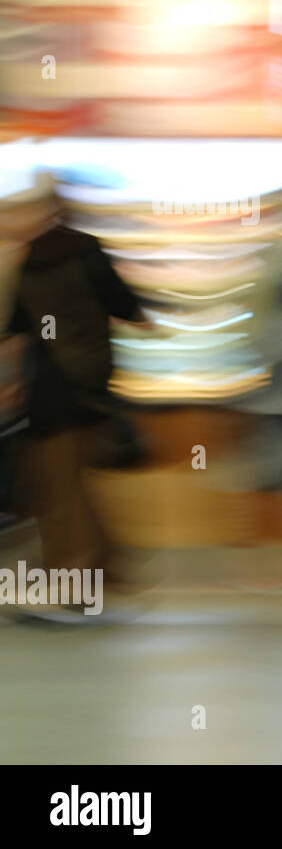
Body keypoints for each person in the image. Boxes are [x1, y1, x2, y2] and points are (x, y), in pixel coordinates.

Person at [5, 188, 155, 591]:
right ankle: (104, 570)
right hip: (91, 385)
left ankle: (74, 578)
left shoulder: (34, 257)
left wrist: (15, 383)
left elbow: (19, 331)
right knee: (75, 484)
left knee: (60, 490)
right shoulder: (85, 250)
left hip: (52, 391)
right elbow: (124, 304)